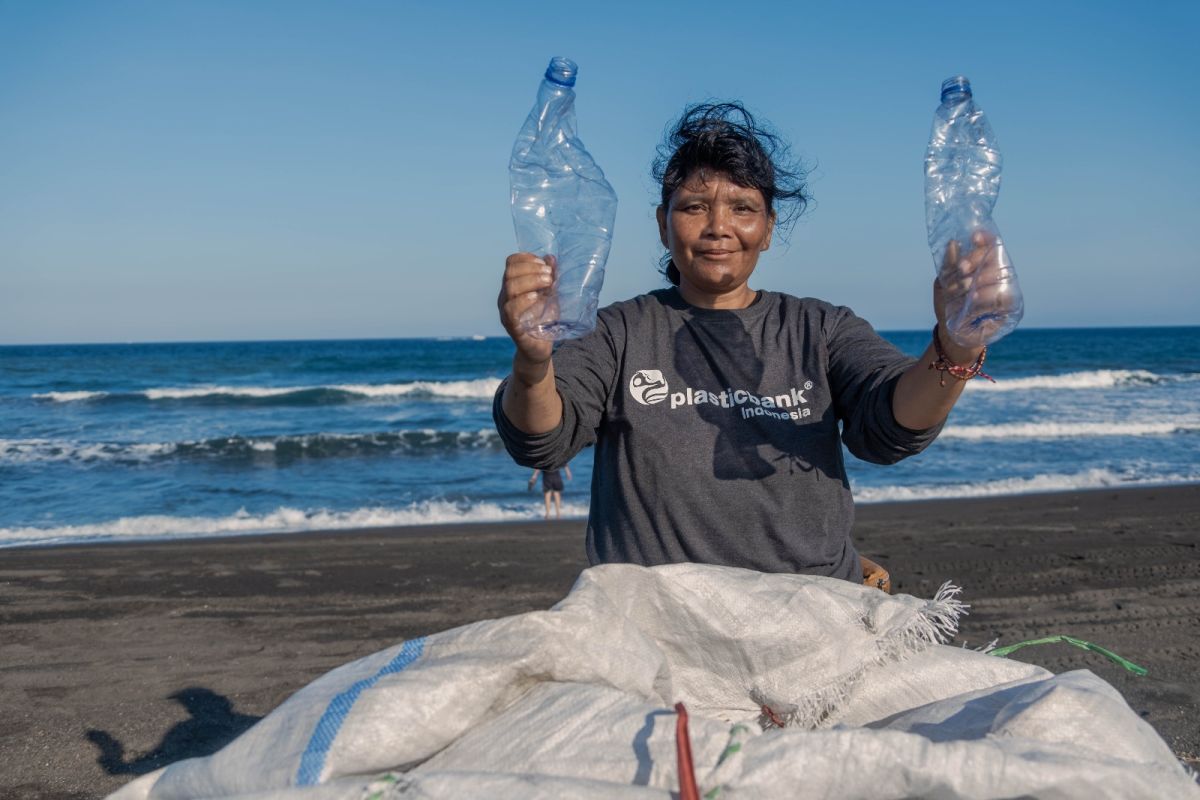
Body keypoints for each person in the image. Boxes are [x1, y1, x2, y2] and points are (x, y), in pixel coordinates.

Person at [494, 102, 1002, 585]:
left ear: (767, 229)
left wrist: (954, 348)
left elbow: (893, 425)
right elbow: (542, 439)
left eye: (743, 208)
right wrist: (534, 360)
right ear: (662, 223)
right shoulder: (618, 332)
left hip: (816, 609)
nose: (719, 227)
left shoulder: (820, 328)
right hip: (654, 622)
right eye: (694, 206)